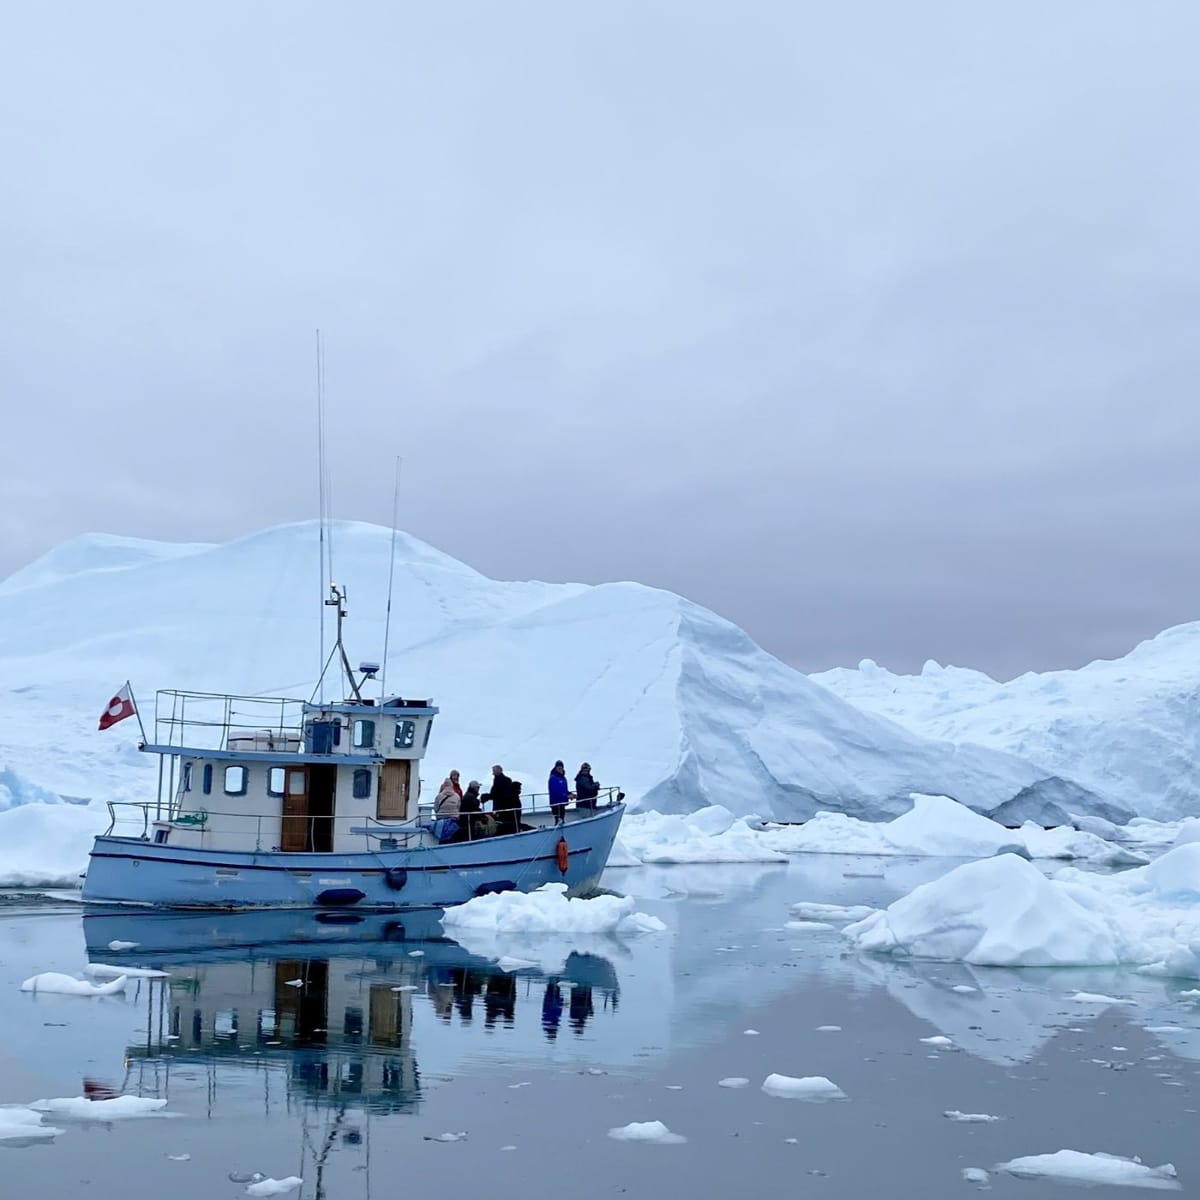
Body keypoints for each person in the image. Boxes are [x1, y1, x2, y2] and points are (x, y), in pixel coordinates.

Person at [486, 765, 522, 835]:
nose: (493, 773)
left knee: (505, 823)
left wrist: (489, 796)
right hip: (501, 806)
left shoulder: (503, 780)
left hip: (502, 806)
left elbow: (498, 793)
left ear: (499, 770)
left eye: (494, 771)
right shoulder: (500, 780)